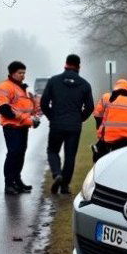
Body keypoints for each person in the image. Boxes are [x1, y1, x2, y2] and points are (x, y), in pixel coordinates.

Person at [40, 54, 93, 194]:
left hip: (57, 123)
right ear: (79, 66)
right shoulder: (84, 84)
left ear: (66, 64)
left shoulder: (54, 81)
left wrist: (52, 116)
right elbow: (90, 107)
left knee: (52, 151)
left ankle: (57, 174)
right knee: (70, 155)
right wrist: (80, 118)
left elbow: (43, 103)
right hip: (74, 125)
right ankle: (64, 186)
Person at [0, 61, 41, 195]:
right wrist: (26, 119)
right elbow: (5, 110)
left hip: (23, 127)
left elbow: (27, 107)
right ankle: (9, 184)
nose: (23, 76)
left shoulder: (22, 88)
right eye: (20, 73)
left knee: (20, 153)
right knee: (13, 153)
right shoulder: (4, 87)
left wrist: (34, 117)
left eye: (24, 73)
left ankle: (17, 181)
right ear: (12, 73)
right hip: (11, 126)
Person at [92, 79, 127, 161]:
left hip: (111, 137)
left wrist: (100, 128)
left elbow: (97, 115)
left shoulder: (107, 97)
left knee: (107, 156)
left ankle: (99, 155)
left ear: (116, 87)